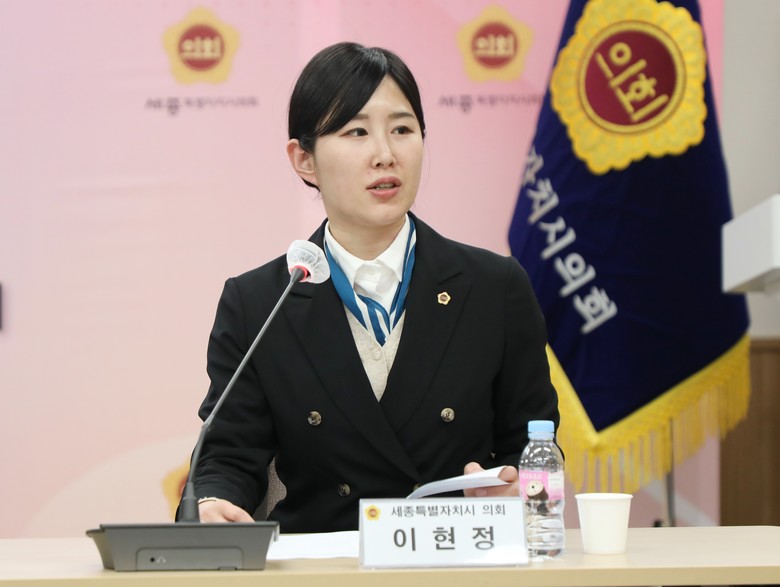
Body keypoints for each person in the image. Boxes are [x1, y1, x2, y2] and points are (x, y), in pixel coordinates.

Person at [183, 42, 559, 533]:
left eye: (402, 129)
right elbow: (228, 454)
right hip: (321, 561)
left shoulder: (495, 288)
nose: (386, 155)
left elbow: (535, 447)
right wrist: (212, 502)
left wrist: (522, 491)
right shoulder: (260, 303)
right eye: (356, 132)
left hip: (454, 556)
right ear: (304, 159)